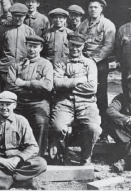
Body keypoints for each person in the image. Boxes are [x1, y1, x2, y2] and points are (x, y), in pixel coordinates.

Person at [0, 91, 47, 190]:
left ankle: (1, 181)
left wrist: (18, 158)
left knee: (41, 163)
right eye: (1, 104)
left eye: (8, 104)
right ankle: (19, 182)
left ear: (14, 105)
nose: (4, 108)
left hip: (17, 164)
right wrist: (1, 160)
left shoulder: (22, 121)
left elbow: (33, 147)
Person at [49, 34, 101, 166]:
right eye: (72, 45)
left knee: (93, 128)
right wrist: (79, 80)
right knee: (58, 127)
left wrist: (67, 85)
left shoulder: (90, 64)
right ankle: (62, 155)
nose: (75, 49)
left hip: (86, 103)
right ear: (68, 45)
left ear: (83, 46)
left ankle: (85, 157)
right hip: (64, 102)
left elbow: (92, 88)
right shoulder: (60, 63)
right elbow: (56, 84)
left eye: (78, 46)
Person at [77, 0, 116, 144]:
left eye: (96, 7)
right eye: (90, 7)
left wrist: (94, 60)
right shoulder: (83, 25)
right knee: (83, 93)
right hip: (84, 63)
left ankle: (104, 132)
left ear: (101, 9)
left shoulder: (107, 25)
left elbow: (108, 46)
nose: (93, 9)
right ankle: (84, 129)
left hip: (99, 64)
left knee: (100, 96)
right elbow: (77, 41)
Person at [5, 35, 53, 156]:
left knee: (41, 122)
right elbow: (10, 86)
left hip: (38, 102)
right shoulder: (16, 63)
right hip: (19, 102)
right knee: (9, 121)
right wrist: (34, 88)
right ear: (26, 46)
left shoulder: (46, 64)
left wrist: (25, 83)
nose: (32, 49)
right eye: (30, 46)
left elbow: (47, 86)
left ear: (41, 48)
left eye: (35, 47)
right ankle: (14, 154)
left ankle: (38, 157)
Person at [0, 3, 35, 91]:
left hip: (23, 68)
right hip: (6, 67)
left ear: (25, 16)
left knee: (22, 93)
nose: (18, 18)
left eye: (20, 16)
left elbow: (33, 50)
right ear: (12, 16)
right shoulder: (4, 29)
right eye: (15, 16)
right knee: (5, 93)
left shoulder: (29, 31)